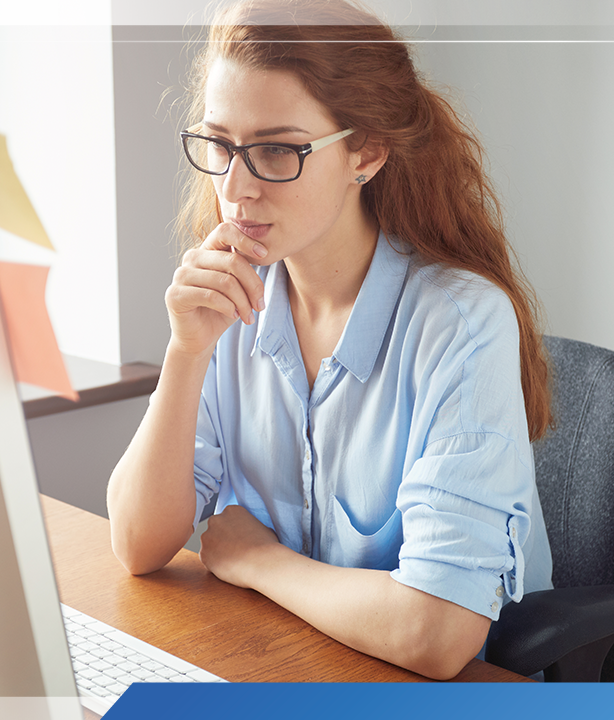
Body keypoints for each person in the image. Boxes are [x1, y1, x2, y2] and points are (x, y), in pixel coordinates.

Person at [107, 0, 554, 680]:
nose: (236, 188)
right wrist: (186, 352)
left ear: (366, 153)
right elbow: (138, 543)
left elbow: (435, 632)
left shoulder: (459, 325)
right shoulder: (231, 299)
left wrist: (258, 561)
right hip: (286, 662)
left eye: (277, 150)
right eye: (221, 145)